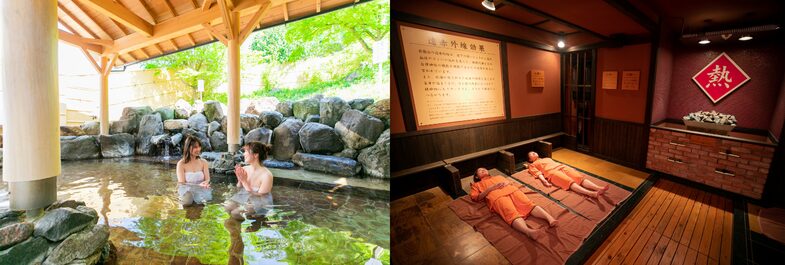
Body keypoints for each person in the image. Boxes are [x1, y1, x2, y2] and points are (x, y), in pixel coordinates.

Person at [471, 168, 558, 238]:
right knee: (511, 213)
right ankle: (528, 232)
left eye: (484, 169)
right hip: (497, 197)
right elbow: (476, 197)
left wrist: (507, 182)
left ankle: (550, 218)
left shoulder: (498, 176)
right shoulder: (476, 185)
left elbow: (510, 182)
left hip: (512, 190)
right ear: (477, 176)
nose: (483, 170)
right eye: (480, 170)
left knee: (529, 204)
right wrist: (490, 188)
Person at [224, 141, 274, 220]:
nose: (244, 154)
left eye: (246, 151)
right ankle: (235, 228)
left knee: (236, 213)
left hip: (260, 201)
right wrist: (240, 179)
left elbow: (260, 196)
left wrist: (244, 181)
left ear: (255, 155)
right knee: (227, 207)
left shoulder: (266, 175)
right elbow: (239, 188)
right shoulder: (245, 169)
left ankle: (257, 220)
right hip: (246, 196)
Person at [527, 151, 609, 198]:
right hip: (552, 173)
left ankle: (598, 188)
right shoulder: (532, 165)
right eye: (532, 154)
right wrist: (544, 181)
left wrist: (569, 167)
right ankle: (590, 193)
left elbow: (556, 162)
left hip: (561, 166)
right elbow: (538, 173)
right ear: (530, 159)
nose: (534, 153)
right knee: (569, 182)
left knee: (579, 177)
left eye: (534, 152)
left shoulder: (547, 158)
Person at [176, 135, 212, 206]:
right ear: (188, 148)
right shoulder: (181, 164)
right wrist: (198, 185)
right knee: (187, 202)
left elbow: (207, 179)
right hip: (186, 190)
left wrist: (205, 183)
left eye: (199, 146)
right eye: (195, 147)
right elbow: (182, 183)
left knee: (202, 204)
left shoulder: (203, 162)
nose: (198, 149)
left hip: (201, 189)